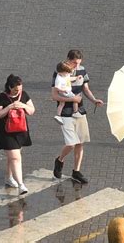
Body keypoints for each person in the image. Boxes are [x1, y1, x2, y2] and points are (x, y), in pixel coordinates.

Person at [51, 50, 104, 184]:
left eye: (78, 63)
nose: (76, 66)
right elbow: (55, 96)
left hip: (79, 111)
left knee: (80, 142)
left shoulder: (82, 70)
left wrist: (94, 100)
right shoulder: (59, 73)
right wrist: (73, 99)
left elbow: (85, 89)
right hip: (65, 113)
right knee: (71, 143)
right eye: (74, 63)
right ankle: (60, 160)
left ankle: (76, 171)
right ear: (67, 59)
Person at [0, 74, 35, 195]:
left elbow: (32, 111)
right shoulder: (1, 97)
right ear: (10, 87)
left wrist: (23, 105)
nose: (19, 91)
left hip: (20, 131)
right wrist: (9, 107)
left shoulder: (24, 95)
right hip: (5, 133)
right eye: (16, 89)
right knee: (16, 157)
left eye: (20, 88)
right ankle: (21, 184)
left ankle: (8, 178)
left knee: (12, 157)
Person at [53, 61, 82, 125]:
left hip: (65, 92)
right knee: (75, 99)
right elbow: (57, 88)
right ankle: (75, 112)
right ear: (60, 72)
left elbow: (69, 78)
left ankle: (58, 115)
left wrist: (76, 78)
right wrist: (62, 90)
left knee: (61, 104)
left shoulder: (65, 75)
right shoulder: (59, 79)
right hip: (65, 92)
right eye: (66, 73)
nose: (67, 74)